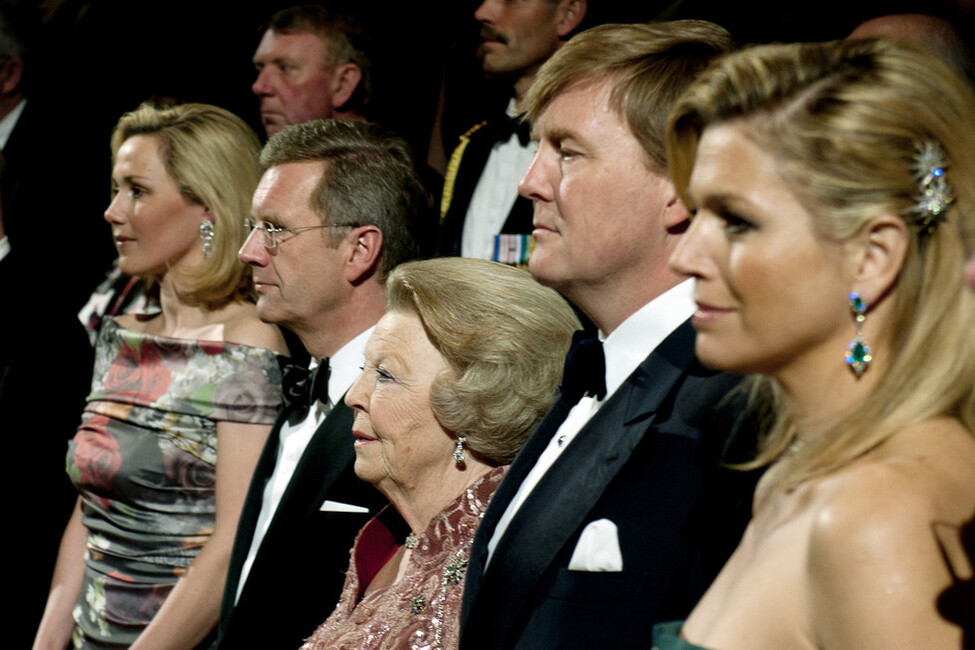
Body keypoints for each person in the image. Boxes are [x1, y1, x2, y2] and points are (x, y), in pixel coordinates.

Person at [658, 36, 975, 648]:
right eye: (696, 213)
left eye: (737, 221)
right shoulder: (802, 480)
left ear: (871, 258)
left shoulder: (879, 515)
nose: (684, 256)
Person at [460, 21, 756, 650]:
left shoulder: (732, 409)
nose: (530, 182)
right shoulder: (591, 368)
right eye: (538, 148)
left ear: (679, 185)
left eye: (567, 152)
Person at [33, 102, 289, 649]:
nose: (112, 211)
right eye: (114, 188)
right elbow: (91, 506)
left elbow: (231, 544)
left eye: (137, 191)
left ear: (207, 206)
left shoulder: (248, 343)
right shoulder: (119, 334)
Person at [216, 119, 430, 649]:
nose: (248, 251)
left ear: (360, 250)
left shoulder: (418, 415)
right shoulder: (302, 385)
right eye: (252, 226)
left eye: (274, 229)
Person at [299, 257, 579, 649]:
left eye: (385, 375)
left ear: (474, 402)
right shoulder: (386, 542)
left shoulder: (505, 558)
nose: (353, 397)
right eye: (365, 369)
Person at [436, 0, 586, 264]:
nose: (482, 13)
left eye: (511, 0)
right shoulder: (471, 142)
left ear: (567, 14)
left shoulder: (588, 150)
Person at [252, 4, 371, 137]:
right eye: (260, 69)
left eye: (285, 68)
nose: (258, 87)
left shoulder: (386, 157)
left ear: (343, 84)